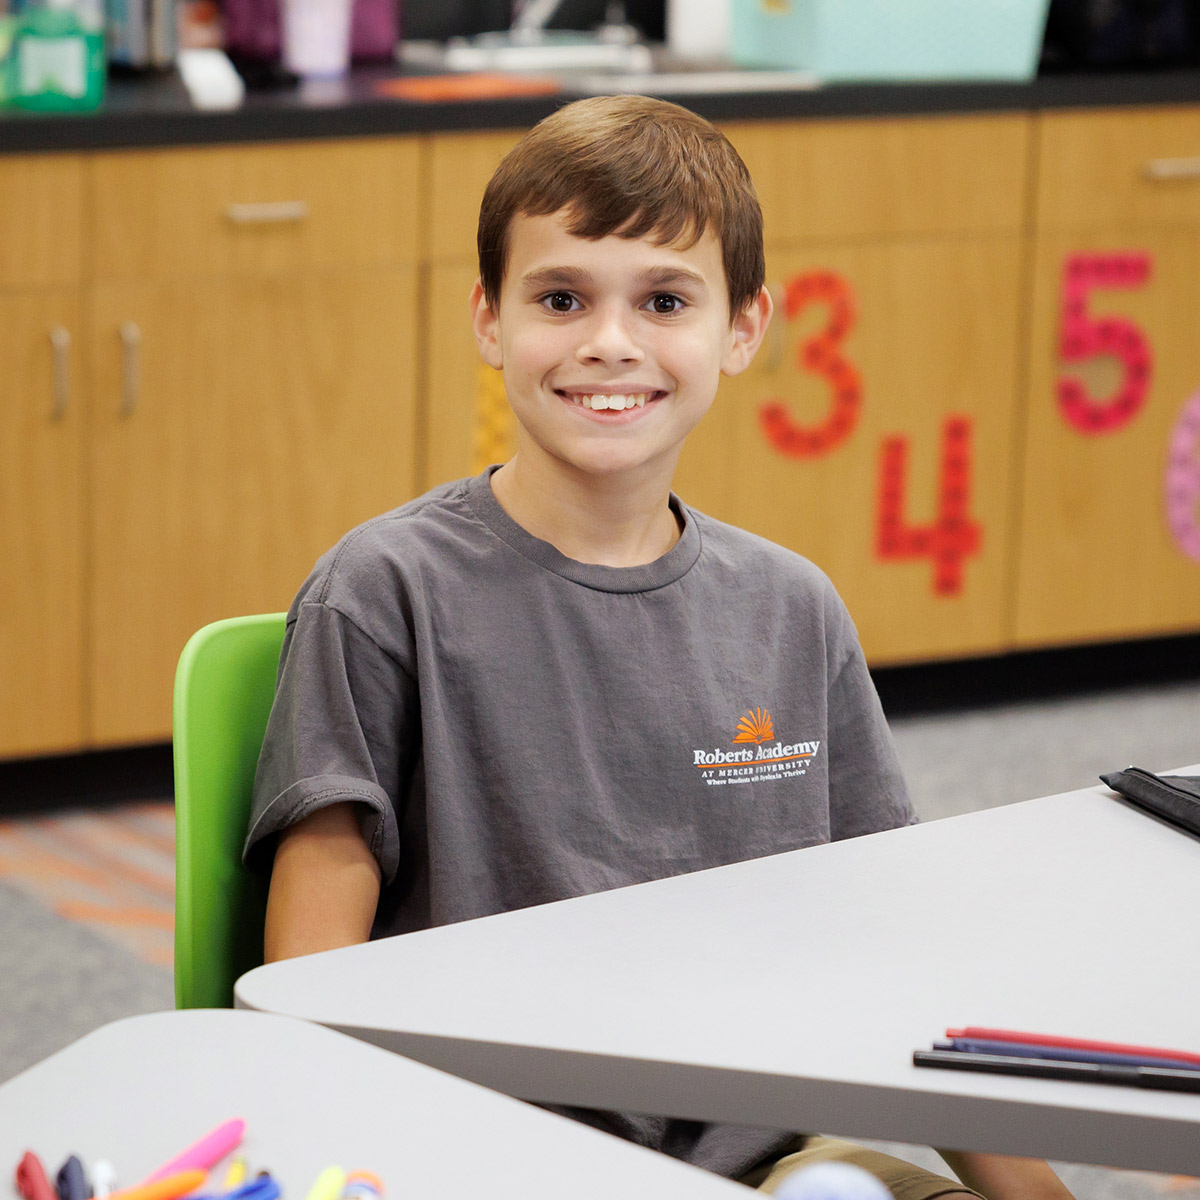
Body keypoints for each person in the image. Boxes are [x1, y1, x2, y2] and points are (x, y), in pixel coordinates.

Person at [244, 95, 1073, 1200]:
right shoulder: (383, 593)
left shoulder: (793, 610)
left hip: (772, 1160)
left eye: (666, 299)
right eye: (561, 296)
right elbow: (308, 990)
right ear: (490, 320)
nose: (609, 342)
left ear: (742, 328)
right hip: (492, 1155)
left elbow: (897, 956)